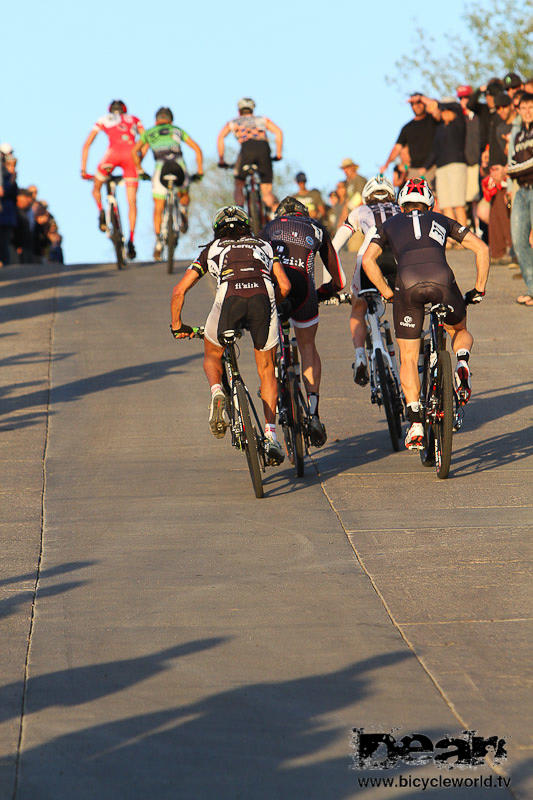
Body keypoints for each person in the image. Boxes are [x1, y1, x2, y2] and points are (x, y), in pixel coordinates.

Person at [362, 178, 489, 450]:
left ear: (401, 203)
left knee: (408, 356)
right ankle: (462, 363)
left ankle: (416, 422)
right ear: (429, 201)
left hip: (406, 284)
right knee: (459, 330)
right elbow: (482, 248)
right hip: (442, 279)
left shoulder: (389, 224)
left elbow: (367, 260)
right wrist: (479, 289)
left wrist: (386, 292)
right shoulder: (441, 219)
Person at [170, 206, 291, 465]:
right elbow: (285, 285)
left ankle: (217, 392)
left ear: (217, 229)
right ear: (247, 226)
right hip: (263, 297)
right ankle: (271, 436)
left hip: (229, 299)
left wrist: (178, 325)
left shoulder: (212, 249)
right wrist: (272, 306)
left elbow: (179, 290)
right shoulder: (264, 245)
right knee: (267, 369)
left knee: (212, 352)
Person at [260, 196, 346, 447]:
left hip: (276, 289)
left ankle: (274, 393)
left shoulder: (268, 228)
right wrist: (323, 293)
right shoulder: (316, 226)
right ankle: (314, 412)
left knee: (269, 350)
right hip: (304, 290)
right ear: (303, 213)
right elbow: (338, 279)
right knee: (307, 346)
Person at [333, 175, 401, 386]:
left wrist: (332, 284)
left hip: (369, 258)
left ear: (366, 196)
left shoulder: (360, 211)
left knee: (358, 307)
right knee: (408, 307)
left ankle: (360, 355)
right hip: (400, 258)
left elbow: (334, 247)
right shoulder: (402, 210)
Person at [132, 107, 203, 260]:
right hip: (179, 166)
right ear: (171, 120)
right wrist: (200, 171)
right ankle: (183, 211)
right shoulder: (177, 130)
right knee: (184, 192)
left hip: (160, 168)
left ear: (156, 120)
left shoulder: (149, 133)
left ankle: (158, 241)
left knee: (158, 207)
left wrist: (139, 169)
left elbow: (134, 151)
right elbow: (197, 149)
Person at [81, 100, 144, 260]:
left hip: (112, 155)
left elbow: (87, 144)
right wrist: (139, 161)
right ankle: (131, 239)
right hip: (131, 156)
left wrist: (84, 170)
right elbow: (145, 141)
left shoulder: (104, 119)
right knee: (132, 202)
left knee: (96, 187)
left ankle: (101, 210)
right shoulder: (134, 119)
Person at [217, 98, 283, 213]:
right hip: (264, 148)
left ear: (239, 111)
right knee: (267, 190)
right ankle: (274, 216)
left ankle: (240, 211)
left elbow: (221, 137)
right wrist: (278, 153)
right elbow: (278, 132)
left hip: (247, 149)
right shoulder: (262, 119)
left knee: (239, 184)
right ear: (252, 109)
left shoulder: (233, 122)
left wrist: (221, 159)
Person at [507, 92, 533, 306]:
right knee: (518, 240)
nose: (528, 112)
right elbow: (515, 164)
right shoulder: (518, 136)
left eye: (531, 107)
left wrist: (507, 171)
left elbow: (524, 165)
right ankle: (531, 288)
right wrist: (508, 170)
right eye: (523, 108)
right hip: (521, 191)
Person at [425, 98, 468, 226]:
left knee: (458, 203)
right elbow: (434, 150)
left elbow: (457, 106)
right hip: (441, 168)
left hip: (456, 165)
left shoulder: (459, 123)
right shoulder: (439, 129)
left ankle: (464, 234)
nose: (442, 113)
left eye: (444, 110)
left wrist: (438, 104)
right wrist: (425, 166)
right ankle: (453, 238)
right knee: (446, 204)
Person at [380, 93, 439, 184]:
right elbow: (397, 148)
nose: (416, 106)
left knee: (433, 197)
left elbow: (436, 106)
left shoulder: (433, 120)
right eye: (413, 104)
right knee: (413, 196)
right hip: (414, 170)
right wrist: (387, 164)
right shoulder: (407, 128)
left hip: (433, 168)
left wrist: (422, 98)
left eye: (419, 103)